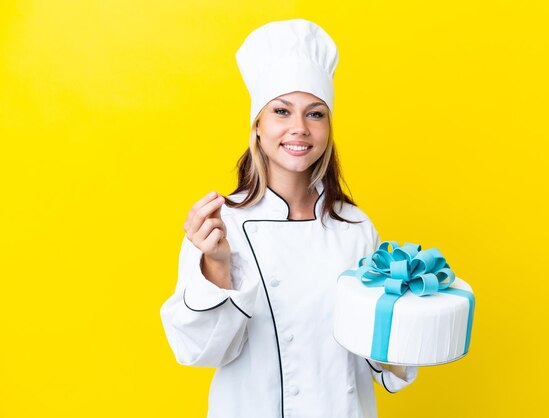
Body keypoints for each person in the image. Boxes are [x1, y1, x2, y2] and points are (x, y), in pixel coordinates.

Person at [160, 18, 418, 418]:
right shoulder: (221, 224)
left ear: (328, 127)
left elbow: (377, 358)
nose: (299, 128)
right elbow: (199, 352)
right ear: (258, 126)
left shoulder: (355, 227)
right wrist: (217, 265)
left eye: (315, 114)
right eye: (282, 111)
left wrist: (412, 321)